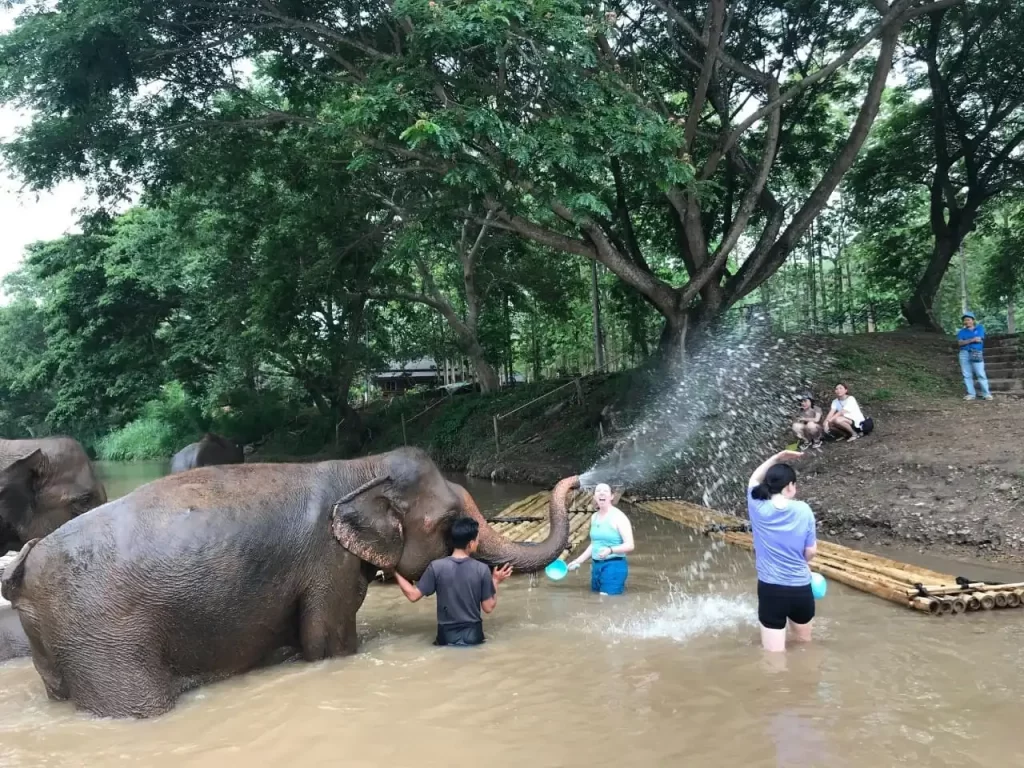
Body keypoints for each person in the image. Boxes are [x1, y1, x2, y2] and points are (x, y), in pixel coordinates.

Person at [393, 517, 513, 646]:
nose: (478, 543)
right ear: (470, 544)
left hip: (446, 636)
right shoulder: (481, 569)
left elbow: (413, 595)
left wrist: (393, 570)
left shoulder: (436, 567)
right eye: (477, 540)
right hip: (473, 635)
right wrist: (495, 580)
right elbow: (488, 607)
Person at [747, 450, 817, 652]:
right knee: (805, 649)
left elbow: (754, 478)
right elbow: (811, 551)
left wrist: (777, 457)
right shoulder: (804, 510)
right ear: (790, 486)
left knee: (774, 658)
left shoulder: (757, 505)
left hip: (771, 590)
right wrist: (802, 564)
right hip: (801, 589)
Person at [567, 483, 634, 595]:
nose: (601, 493)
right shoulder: (594, 517)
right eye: (598, 491)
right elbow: (594, 544)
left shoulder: (619, 517)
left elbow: (630, 545)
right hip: (596, 566)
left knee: (606, 601)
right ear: (594, 496)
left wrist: (610, 550)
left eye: (605, 491)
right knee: (596, 601)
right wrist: (578, 561)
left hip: (614, 565)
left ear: (612, 496)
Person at [957, 311, 993, 401]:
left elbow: (979, 339)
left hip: (976, 352)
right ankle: (971, 394)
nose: (966, 322)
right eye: (965, 320)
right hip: (964, 353)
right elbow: (960, 343)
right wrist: (973, 339)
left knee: (980, 373)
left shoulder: (979, 328)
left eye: (968, 320)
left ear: (973, 320)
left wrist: (967, 341)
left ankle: (986, 394)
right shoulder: (961, 332)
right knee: (967, 374)